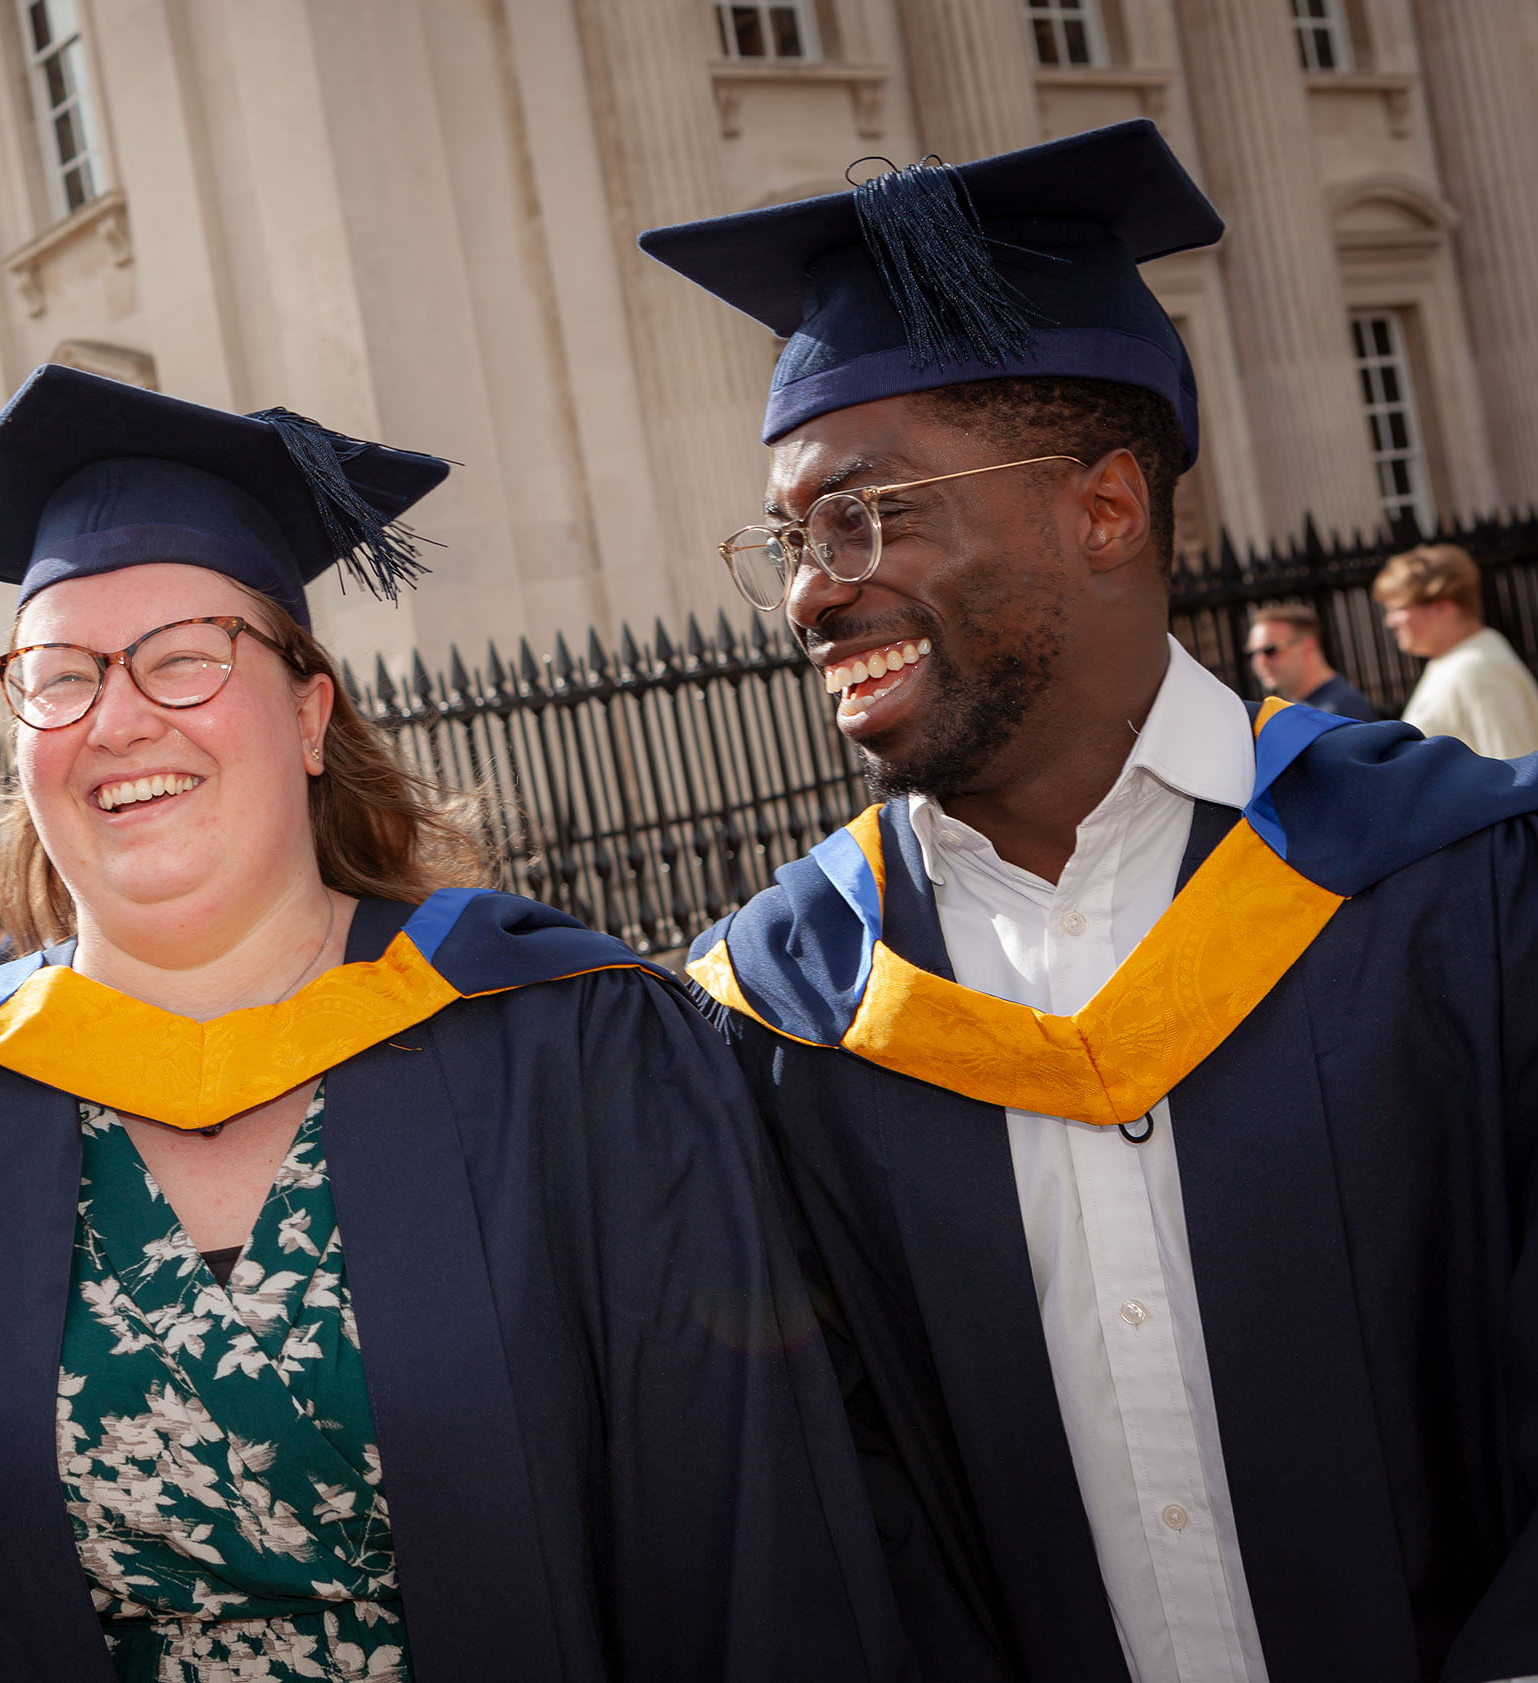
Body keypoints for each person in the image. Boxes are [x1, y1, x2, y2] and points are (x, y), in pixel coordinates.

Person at [0, 364, 912, 1683]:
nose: (116, 716)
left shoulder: (571, 1054)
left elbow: (747, 1549)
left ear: (309, 709)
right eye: (56, 676)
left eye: (184, 656)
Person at [645, 117, 1538, 1683]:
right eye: (788, 539)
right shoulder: (779, 1010)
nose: (806, 589)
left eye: (866, 512)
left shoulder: (1457, 882)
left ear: (1104, 509)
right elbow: (824, 1498)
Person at [1373, 543, 1538, 757]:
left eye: (1399, 609)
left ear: (1442, 606)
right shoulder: (1458, 660)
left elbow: (1515, 776)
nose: (1389, 622)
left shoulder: (1477, 668)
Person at [1243, 604, 1377, 720]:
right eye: (1252, 654)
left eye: (1270, 650)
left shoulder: (1342, 710)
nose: (1260, 662)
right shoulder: (1305, 706)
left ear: (1307, 646)